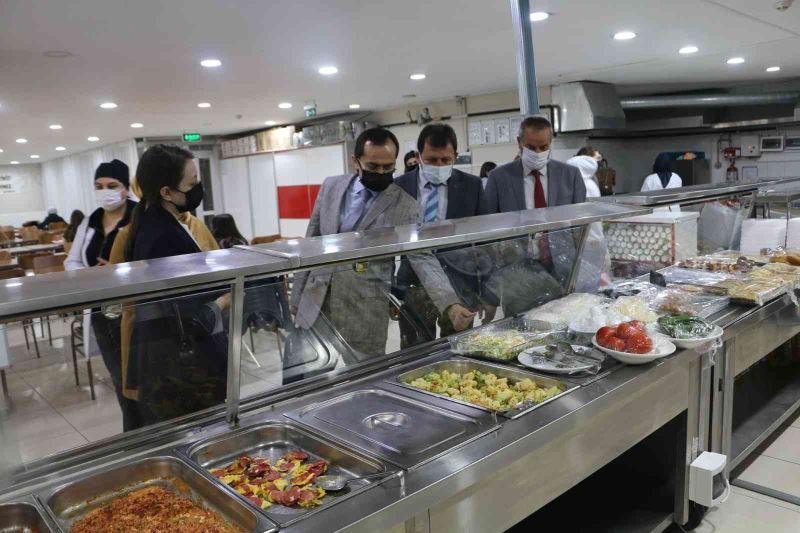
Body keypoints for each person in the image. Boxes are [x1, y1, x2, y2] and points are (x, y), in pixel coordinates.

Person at [290, 127, 472, 360]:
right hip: (316, 301)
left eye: (388, 167)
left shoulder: (405, 206)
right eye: (373, 167)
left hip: (364, 310)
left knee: (362, 374)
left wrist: (450, 303)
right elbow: (310, 243)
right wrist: (296, 298)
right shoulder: (331, 187)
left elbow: (422, 257)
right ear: (356, 161)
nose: (381, 173)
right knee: (309, 372)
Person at [121, 144, 228, 426]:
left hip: (168, 357)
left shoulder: (156, 222)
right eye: (191, 184)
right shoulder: (162, 236)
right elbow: (189, 315)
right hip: (179, 367)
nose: (197, 189)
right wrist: (224, 299)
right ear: (166, 192)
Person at [394, 124, 489, 347]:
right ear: (418, 156)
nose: (439, 166)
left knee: (458, 350)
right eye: (431, 160)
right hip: (413, 284)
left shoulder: (472, 186)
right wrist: (390, 291)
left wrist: (487, 292)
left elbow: (486, 242)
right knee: (415, 353)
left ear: (456, 155)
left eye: (446, 160)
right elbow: (386, 241)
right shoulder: (399, 187)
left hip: (460, 284)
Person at [481, 116, 587, 317]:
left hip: (562, 268)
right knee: (520, 327)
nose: (538, 153)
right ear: (519, 142)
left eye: (543, 147)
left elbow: (580, 228)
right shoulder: (499, 178)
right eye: (531, 147)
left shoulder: (570, 175)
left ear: (550, 143)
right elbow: (488, 232)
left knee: (565, 321)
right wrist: (490, 290)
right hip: (517, 272)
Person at [64, 160, 140, 429]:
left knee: (138, 375)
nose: (104, 191)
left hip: (134, 309)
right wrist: (91, 275)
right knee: (118, 377)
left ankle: (148, 429)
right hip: (101, 311)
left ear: (125, 188)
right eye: (98, 186)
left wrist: (118, 271)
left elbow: (152, 262)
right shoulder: (90, 221)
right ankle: (133, 432)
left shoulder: (140, 216)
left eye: (111, 185)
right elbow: (71, 261)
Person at [566, 155, 611, 290]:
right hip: (594, 240)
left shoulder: (584, 186)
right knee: (595, 280)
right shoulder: (590, 184)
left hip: (589, 241)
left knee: (589, 283)